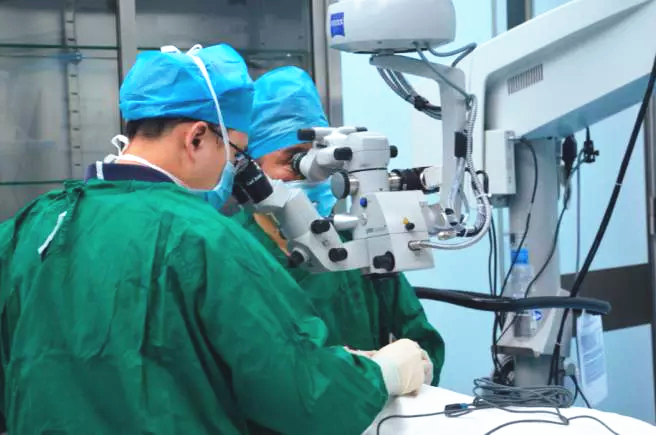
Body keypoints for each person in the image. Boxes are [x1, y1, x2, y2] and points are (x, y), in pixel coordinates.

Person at [0, 44, 431, 434]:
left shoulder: (32, 224)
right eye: (237, 155)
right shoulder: (204, 238)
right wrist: (382, 374)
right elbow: (304, 394)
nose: (235, 173)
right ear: (196, 138)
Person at [233, 66, 446, 385]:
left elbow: (419, 337)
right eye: (294, 161)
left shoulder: (358, 240)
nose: (314, 175)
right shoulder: (233, 249)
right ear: (253, 169)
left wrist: (414, 366)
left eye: (322, 160)